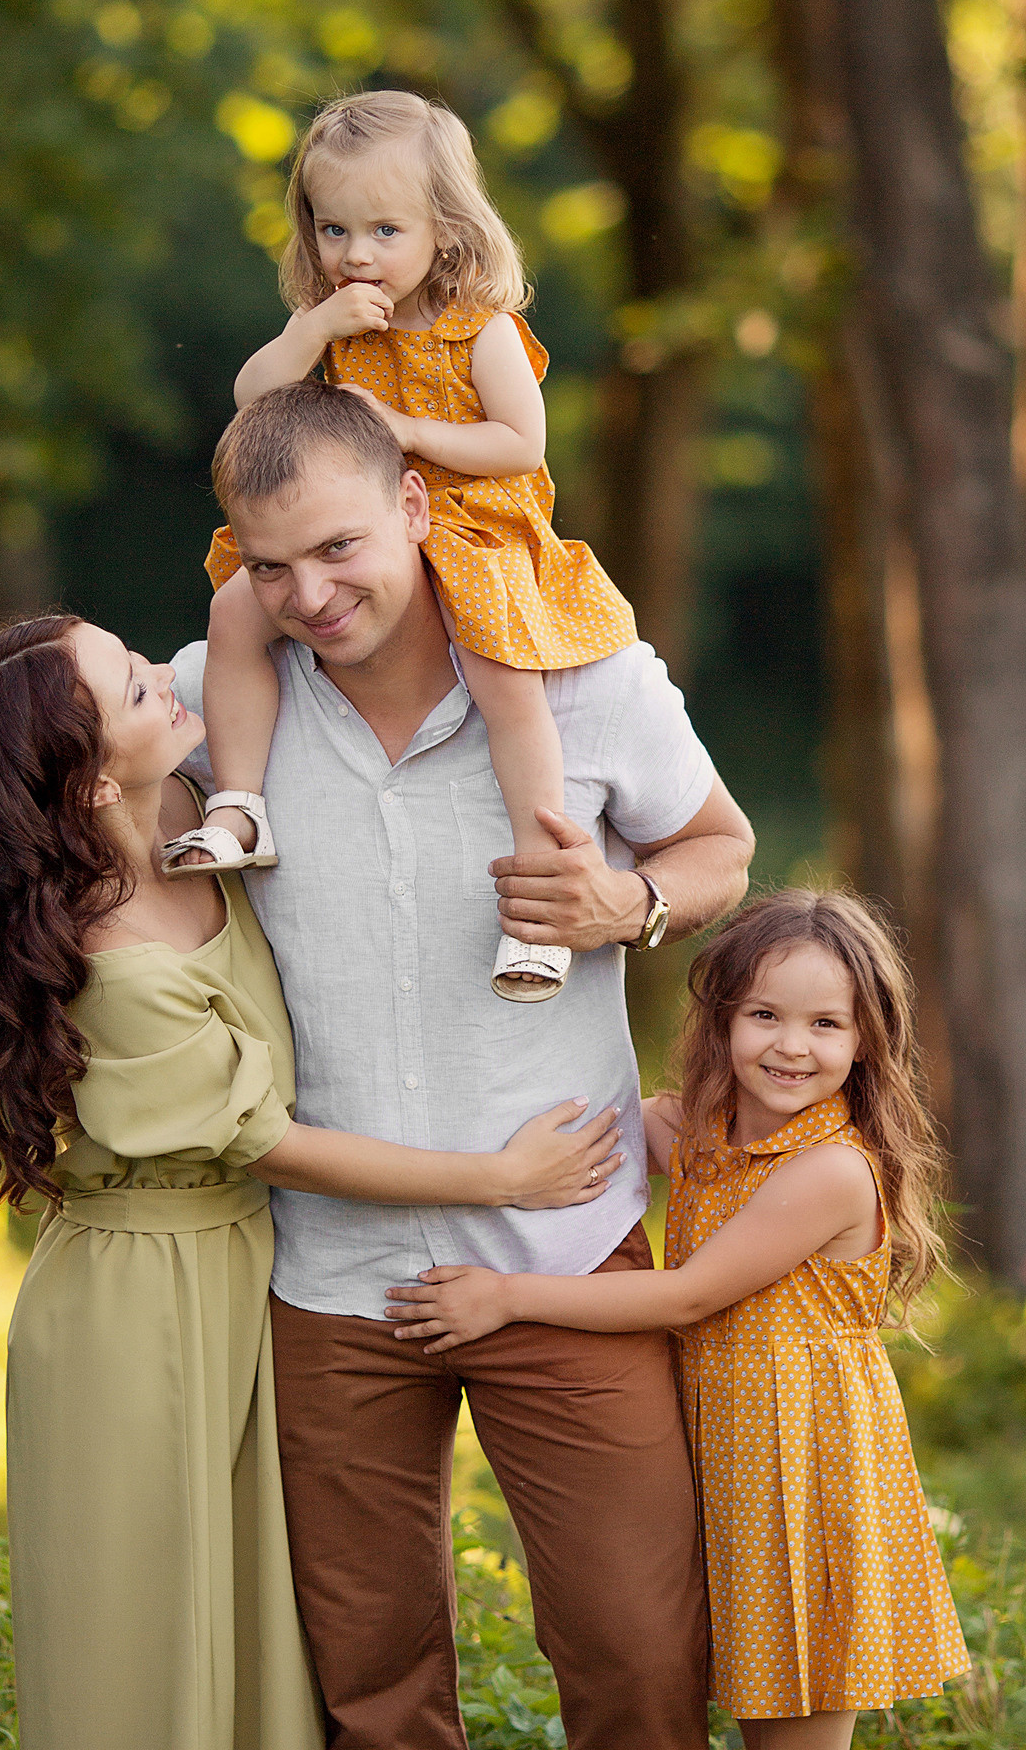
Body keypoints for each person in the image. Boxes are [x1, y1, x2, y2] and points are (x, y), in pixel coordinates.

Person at [0, 613, 625, 1750]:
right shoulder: (110, 960)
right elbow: (272, 1139)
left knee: (261, 1624)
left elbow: (243, 621)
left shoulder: (198, 818)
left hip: (247, 1268)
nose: (164, 678)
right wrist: (497, 1175)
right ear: (92, 780)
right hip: (140, 1303)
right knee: (145, 1631)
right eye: (134, 689)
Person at [171, 376, 756, 1750]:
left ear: (417, 506)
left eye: (338, 549)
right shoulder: (210, 705)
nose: (310, 594)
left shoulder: (586, 677)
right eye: (270, 567)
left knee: (634, 1645)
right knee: (367, 1678)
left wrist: (634, 905)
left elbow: (718, 847)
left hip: (565, 1242)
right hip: (328, 1273)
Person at [385, 889, 972, 1750]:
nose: (790, 1046)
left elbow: (686, 1295)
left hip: (802, 1467)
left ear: (866, 1041)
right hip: (724, 1456)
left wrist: (504, 1295)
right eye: (765, 1014)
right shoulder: (705, 1128)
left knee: (790, 1724)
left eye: (825, 1025)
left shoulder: (830, 1171)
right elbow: (607, 1124)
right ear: (725, 1017)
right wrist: (511, 1169)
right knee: (720, 1685)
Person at [167, 89, 638, 1001]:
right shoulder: (335, 321)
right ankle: (241, 803)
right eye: (335, 230)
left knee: (504, 674)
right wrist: (314, 331)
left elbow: (520, 445)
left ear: (446, 232)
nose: (356, 255)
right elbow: (253, 395)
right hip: (360, 537)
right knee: (234, 609)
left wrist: (407, 430)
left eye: (385, 230)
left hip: (471, 522)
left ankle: (540, 884)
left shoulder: (480, 331)